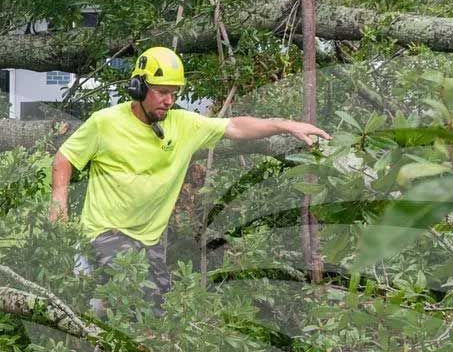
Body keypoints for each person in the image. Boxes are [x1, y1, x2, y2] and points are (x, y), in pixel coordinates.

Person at [48, 47, 331, 301]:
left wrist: (285, 125)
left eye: (174, 93)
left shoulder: (184, 125)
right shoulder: (105, 123)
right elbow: (65, 158)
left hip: (150, 241)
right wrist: (59, 202)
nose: (169, 100)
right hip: (105, 233)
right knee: (136, 302)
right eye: (162, 92)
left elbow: (234, 127)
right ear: (138, 88)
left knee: (157, 314)